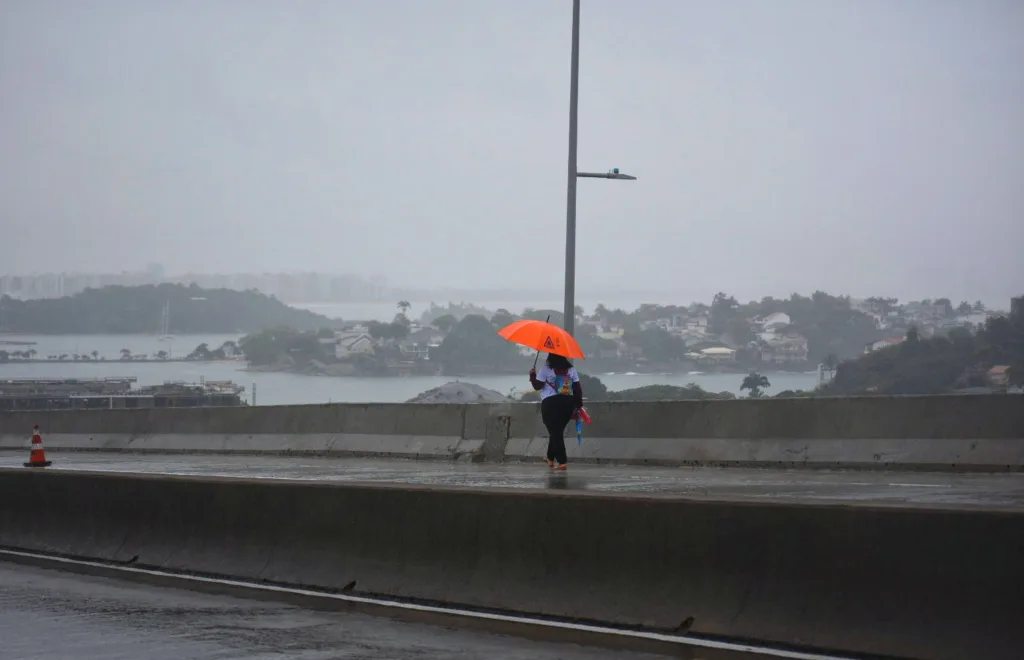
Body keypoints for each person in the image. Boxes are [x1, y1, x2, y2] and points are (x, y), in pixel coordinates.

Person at [529, 352, 583, 471]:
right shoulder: (571, 369)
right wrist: (578, 406)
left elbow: (537, 386)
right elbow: (577, 389)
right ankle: (550, 458)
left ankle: (562, 462)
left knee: (555, 432)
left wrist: (532, 375)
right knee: (556, 431)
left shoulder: (546, 368)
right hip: (568, 404)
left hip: (550, 404)